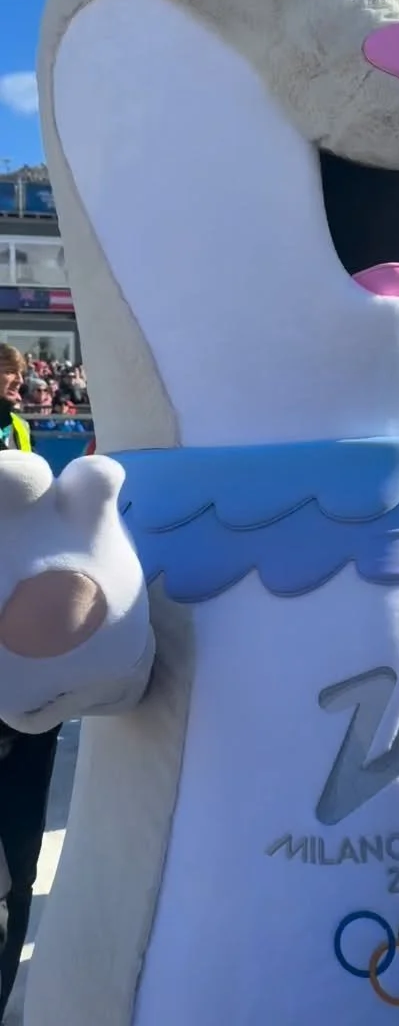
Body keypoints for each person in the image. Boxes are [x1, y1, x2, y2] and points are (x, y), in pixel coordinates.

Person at [0, 344, 61, 1021]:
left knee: (20, 866)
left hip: (25, 662)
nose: (19, 383)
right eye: (7, 373)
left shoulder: (17, 428)